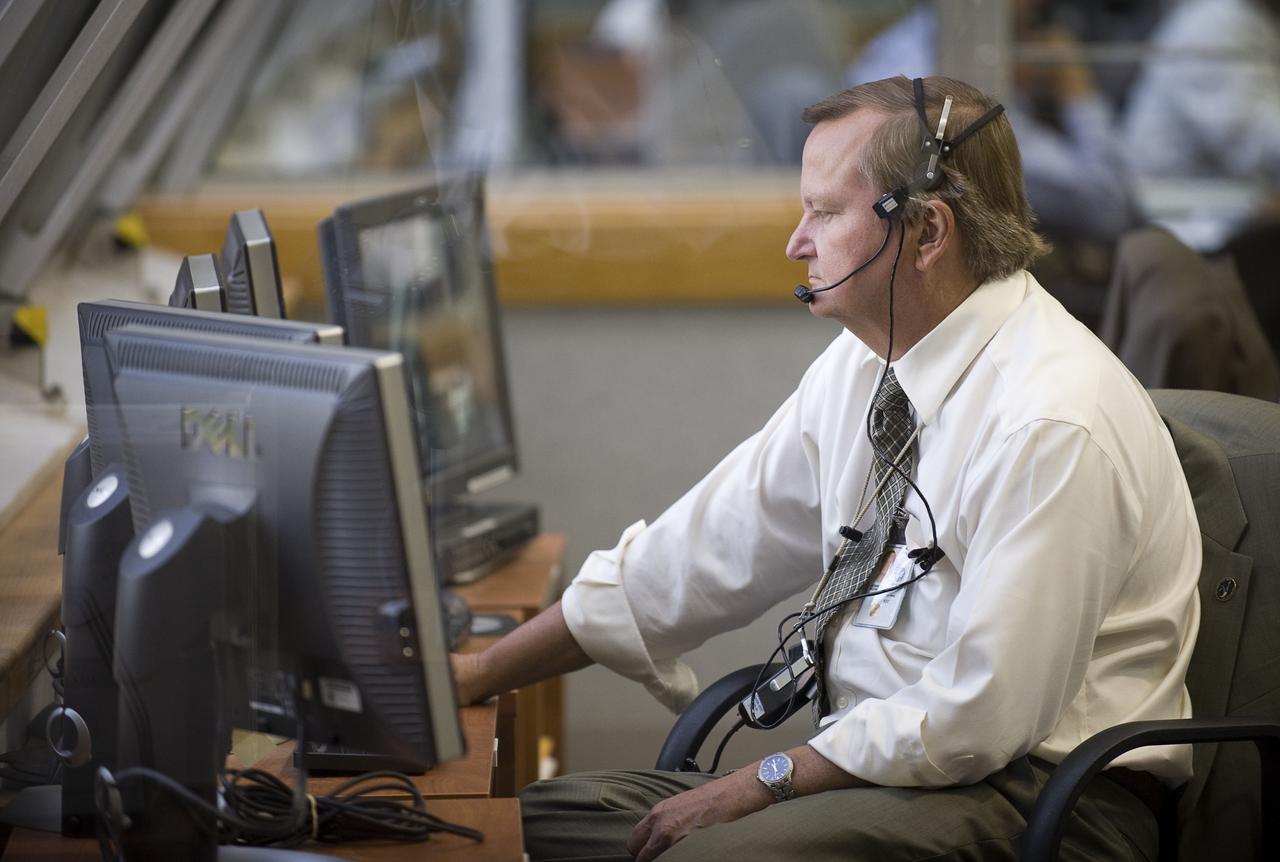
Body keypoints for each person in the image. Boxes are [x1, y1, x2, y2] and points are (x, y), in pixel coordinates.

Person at [452, 75, 1201, 861]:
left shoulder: (1052, 420)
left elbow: (980, 715)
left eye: (825, 212)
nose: (795, 242)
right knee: (519, 828)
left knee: (695, 856)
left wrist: (757, 781)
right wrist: (474, 674)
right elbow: (693, 558)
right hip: (887, 777)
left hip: (1043, 802)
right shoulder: (866, 366)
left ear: (925, 231)